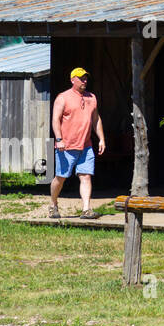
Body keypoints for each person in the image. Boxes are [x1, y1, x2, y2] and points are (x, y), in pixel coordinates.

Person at [49, 67, 106, 219]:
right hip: (66, 146)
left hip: (86, 146)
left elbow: (96, 119)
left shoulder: (91, 97)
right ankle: (53, 204)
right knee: (60, 177)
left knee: (86, 176)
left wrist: (101, 138)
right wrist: (59, 139)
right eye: (81, 78)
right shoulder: (63, 97)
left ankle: (86, 209)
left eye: (86, 78)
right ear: (72, 79)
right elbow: (55, 119)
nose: (84, 81)